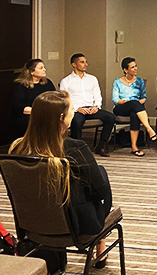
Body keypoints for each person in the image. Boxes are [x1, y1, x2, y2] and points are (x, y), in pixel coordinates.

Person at [9, 90, 112, 269]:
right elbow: (101, 191)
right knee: (100, 176)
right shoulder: (74, 148)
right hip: (75, 228)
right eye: (72, 109)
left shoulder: (17, 148)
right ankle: (100, 243)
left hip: (31, 226)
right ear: (62, 117)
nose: (74, 113)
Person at [59, 53, 115, 157]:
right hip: (76, 110)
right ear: (74, 64)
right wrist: (76, 108)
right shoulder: (66, 81)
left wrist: (96, 106)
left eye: (86, 62)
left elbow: (98, 95)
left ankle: (101, 146)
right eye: (82, 62)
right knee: (76, 121)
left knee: (110, 117)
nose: (86, 64)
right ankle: (78, 150)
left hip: (91, 108)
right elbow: (65, 99)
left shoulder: (92, 79)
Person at [112, 57, 157, 156]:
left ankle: (134, 147)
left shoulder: (139, 81)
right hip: (121, 107)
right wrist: (128, 102)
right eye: (132, 67)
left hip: (136, 108)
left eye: (136, 66)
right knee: (133, 103)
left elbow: (143, 98)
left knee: (134, 114)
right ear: (125, 70)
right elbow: (116, 100)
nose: (136, 68)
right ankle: (149, 129)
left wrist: (136, 102)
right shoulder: (117, 82)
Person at [11, 58, 56, 138]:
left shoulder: (47, 83)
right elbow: (19, 106)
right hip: (29, 115)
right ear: (31, 71)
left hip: (46, 113)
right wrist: (38, 111)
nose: (44, 70)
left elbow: (54, 98)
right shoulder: (20, 85)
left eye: (44, 67)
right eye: (41, 68)